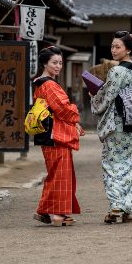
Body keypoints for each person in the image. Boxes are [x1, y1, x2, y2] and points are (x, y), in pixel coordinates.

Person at [90, 31, 132, 224]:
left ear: (128, 49)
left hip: (118, 123)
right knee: (131, 164)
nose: (113, 50)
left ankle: (116, 206)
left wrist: (94, 97)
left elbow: (107, 96)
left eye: (118, 47)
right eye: (112, 46)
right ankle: (128, 207)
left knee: (112, 164)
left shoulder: (116, 71)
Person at [32, 46, 84, 226]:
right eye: (54, 62)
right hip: (55, 135)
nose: (58, 66)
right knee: (60, 174)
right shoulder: (49, 84)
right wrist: (75, 113)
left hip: (48, 133)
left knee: (56, 173)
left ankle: (44, 210)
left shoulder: (41, 82)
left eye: (60, 63)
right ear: (45, 63)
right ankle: (58, 214)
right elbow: (62, 109)